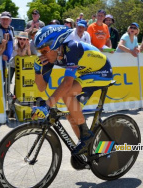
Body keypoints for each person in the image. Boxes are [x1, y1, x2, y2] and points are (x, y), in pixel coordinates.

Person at [32, 25, 113, 155]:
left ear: (56, 45)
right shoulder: (51, 57)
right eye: (40, 51)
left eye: (44, 50)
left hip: (102, 72)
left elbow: (67, 83)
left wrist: (47, 106)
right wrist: (37, 71)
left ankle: (87, 136)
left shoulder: (72, 48)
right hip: (86, 74)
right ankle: (91, 150)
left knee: (67, 93)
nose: (42, 54)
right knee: (72, 117)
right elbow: (42, 88)